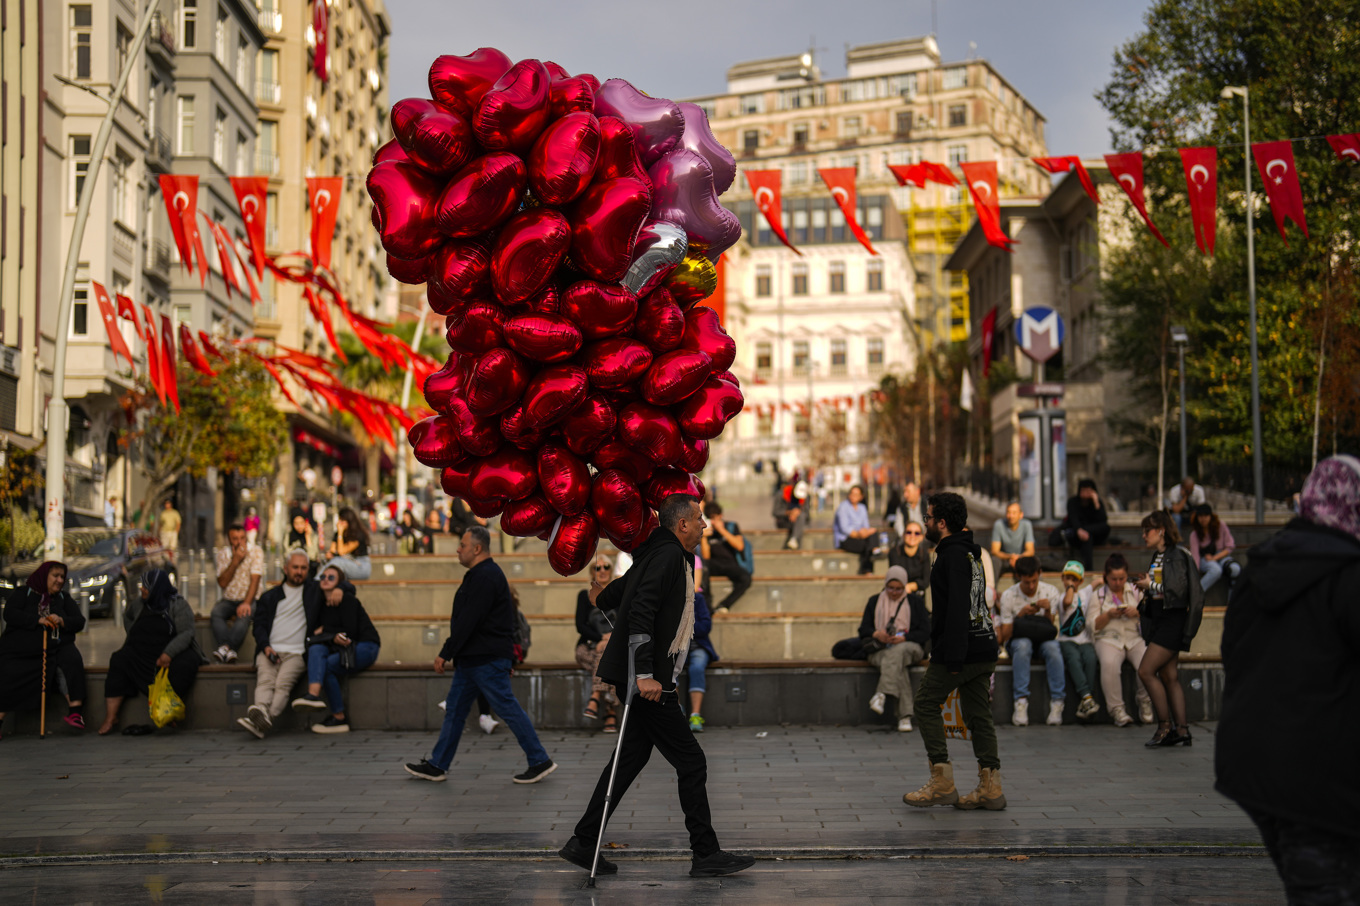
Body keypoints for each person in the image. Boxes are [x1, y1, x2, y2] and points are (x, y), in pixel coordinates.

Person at [559, 494, 754, 878]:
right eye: (698, 519)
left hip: (643, 678)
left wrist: (602, 594)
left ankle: (583, 841)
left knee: (628, 761)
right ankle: (705, 853)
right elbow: (641, 609)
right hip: (645, 681)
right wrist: (645, 673)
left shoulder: (657, 554)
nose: (704, 524)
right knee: (691, 761)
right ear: (681, 524)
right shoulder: (667, 557)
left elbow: (615, 595)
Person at [1215, 455, 1360, 904]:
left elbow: (1232, 654)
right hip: (1319, 772)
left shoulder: (1263, 567)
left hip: (1254, 764)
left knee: (1313, 878)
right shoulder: (1348, 574)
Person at [405, 526, 556, 783]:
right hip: (474, 659)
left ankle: (539, 759)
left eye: (462, 545)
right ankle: (438, 764)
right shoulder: (480, 575)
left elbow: (469, 621)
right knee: (455, 711)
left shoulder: (486, 577)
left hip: (485, 659)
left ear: (477, 549)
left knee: (507, 708)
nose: (457, 549)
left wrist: (445, 652)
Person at [903, 491, 1004, 811]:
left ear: (941, 523)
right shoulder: (969, 552)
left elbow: (960, 608)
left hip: (963, 649)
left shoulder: (952, 556)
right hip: (983, 644)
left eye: (928, 518)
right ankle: (991, 787)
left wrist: (952, 656)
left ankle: (942, 781)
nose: (926, 524)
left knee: (925, 702)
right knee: (978, 715)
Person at [98, 570, 206, 735]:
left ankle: (167, 708)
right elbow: (128, 617)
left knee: (186, 663)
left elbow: (187, 633)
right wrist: (135, 636)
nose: (142, 590)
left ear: (157, 588)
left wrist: (168, 653)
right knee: (119, 660)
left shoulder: (178, 604)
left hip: (168, 654)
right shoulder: (139, 604)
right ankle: (111, 717)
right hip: (142, 654)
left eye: (147, 587)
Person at [1133, 509, 1204, 747]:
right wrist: (1148, 588)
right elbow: (1164, 588)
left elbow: (1177, 591)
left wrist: (1149, 584)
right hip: (1162, 618)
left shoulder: (1177, 555)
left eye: (1148, 530)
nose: (1144, 535)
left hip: (1172, 620)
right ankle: (1181, 730)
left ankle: (1164, 726)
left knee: (1145, 671)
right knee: (1169, 676)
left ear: (1161, 531)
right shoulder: (1160, 555)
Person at [288, 565, 381, 733]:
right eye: (323, 577)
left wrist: (326, 631)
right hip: (338, 647)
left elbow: (350, 632)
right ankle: (313, 695)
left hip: (365, 646)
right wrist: (330, 634)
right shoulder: (319, 603)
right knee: (316, 649)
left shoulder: (347, 600)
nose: (325, 580)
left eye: (331, 578)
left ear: (339, 583)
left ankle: (339, 717)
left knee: (329, 665)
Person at [238, 550, 319, 739]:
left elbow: (345, 585)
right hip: (270, 650)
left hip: (297, 653)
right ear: (285, 569)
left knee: (282, 684)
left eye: (303, 568)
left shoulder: (313, 592)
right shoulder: (270, 596)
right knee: (265, 681)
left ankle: (262, 719)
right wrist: (266, 647)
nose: (299, 572)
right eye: (295, 567)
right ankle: (261, 716)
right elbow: (258, 627)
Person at [0, 562, 88, 736]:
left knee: (71, 660)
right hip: (23, 649)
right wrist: (37, 620)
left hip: (55, 647)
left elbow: (79, 621)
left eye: (62, 577)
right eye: (55, 576)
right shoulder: (23, 594)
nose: (59, 580)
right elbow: (10, 614)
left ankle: (75, 711)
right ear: (43, 576)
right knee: (12, 671)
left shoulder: (63, 598)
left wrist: (62, 621)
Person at [858, 565, 930, 732]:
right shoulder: (874, 601)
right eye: (890, 588)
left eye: (899, 589)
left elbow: (925, 632)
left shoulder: (915, 602)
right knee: (898, 664)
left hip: (909, 647)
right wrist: (877, 634)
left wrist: (904, 637)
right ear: (885, 585)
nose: (894, 592)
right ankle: (904, 717)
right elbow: (863, 630)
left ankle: (882, 693)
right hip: (881, 649)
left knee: (898, 652)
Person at [996, 556, 1066, 727]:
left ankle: (1058, 702)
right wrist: (1020, 615)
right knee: (1023, 645)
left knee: (1053, 648)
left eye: (1034, 581)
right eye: (1027, 582)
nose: (1031, 586)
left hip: (1043, 640)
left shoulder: (1050, 592)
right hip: (1019, 642)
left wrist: (1048, 609)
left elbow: (1050, 628)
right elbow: (1004, 636)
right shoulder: (1008, 595)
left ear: (1040, 573)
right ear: (1018, 576)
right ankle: (1020, 701)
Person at [1087, 553, 1154, 727]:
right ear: (1106, 577)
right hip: (1109, 638)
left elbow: (1151, 614)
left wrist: (1137, 612)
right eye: (1113, 579)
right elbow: (1092, 625)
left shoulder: (1136, 590)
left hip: (1134, 637)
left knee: (1146, 663)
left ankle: (1145, 701)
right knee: (1109, 664)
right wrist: (1108, 615)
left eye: (1121, 578)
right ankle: (1117, 709)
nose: (1117, 582)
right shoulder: (1098, 595)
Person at [575, 554, 620, 734]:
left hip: (613, 646)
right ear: (591, 572)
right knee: (609, 660)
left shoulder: (619, 595)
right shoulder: (584, 595)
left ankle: (595, 697)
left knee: (607, 656)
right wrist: (600, 639)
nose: (602, 571)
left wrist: (610, 639)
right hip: (587, 646)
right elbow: (580, 625)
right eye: (597, 568)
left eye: (606, 567)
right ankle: (610, 709)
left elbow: (626, 621)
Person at [211, 524, 264, 664]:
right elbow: (222, 582)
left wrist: (246, 602)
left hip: (250, 598)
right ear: (229, 540)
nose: (239, 542)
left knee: (244, 614)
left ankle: (226, 648)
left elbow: (255, 580)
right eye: (235, 539)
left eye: (242, 538)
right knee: (216, 612)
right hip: (229, 599)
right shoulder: (223, 554)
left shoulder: (256, 551)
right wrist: (235, 561)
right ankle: (227, 649)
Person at [1055, 561, 1101, 721]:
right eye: (1067, 578)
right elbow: (1067, 603)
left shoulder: (1085, 593)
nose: (1070, 582)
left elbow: (1096, 583)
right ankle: (1087, 696)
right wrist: (1070, 588)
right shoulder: (1062, 597)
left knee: (1090, 659)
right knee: (1073, 659)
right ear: (1062, 578)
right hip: (1066, 639)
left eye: (1074, 580)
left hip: (1085, 639)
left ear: (1081, 582)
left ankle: (1085, 700)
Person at [698, 502, 750, 613]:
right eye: (710, 519)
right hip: (713, 564)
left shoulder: (731, 526)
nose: (713, 522)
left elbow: (739, 546)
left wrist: (722, 530)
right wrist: (704, 538)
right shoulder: (708, 531)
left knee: (746, 578)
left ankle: (724, 604)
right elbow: (706, 556)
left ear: (720, 516)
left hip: (731, 564)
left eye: (715, 518)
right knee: (703, 569)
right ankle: (708, 605)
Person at [1050, 479, 1111, 570]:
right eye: (1084, 491)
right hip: (1076, 534)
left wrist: (1096, 503)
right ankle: (1088, 569)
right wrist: (1079, 530)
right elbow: (1073, 519)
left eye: (1088, 491)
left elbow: (1102, 520)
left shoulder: (1096, 502)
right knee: (1087, 539)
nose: (1086, 494)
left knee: (1103, 528)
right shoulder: (1073, 502)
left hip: (1092, 533)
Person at [685, 586, 718, 733]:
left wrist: (687, 626)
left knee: (697, 667)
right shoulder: (669, 600)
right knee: (669, 668)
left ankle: (695, 715)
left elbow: (706, 626)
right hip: (676, 650)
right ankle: (677, 714)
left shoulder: (698, 599)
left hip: (698, 646)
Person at [1188, 504, 1241, 593]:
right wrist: (1194, 574)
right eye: (1200, 516)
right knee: (1216, 570)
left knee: (1235, 569)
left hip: (1221, 556)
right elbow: (1195, 556)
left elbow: (1230, 546)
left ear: (1211, 516)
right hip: (1204, 559)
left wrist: (1215, 558)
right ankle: (1196, 593)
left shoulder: (1221, 525)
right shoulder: (1194, 534)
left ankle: (1232, 602)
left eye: (1206, 515)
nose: (1203, 519)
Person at [834, 485, 882, 575]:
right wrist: (858, 534)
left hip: (861, 536)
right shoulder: (843, 507)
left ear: (861, 497)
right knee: (868, 544)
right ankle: (870, 564)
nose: (853, 496)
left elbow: (866, 525)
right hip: (846, 539)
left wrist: (866, 532)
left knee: (873, 532)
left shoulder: (862, 508)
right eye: (852, 494)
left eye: (856, 494)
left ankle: (870, 562)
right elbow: (844, 528)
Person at [886, 521, 931, 603]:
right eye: (909, 532)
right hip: (897, 594)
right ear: (903, 535)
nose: (912, 536)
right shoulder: (894, 552)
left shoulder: (924, 554)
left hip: (917, 596)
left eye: (917, 533)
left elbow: (926, 581)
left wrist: (910, 586)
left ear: (921, 537)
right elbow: (895, 577)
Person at [323, 507, 372, 581]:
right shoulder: (338, 534)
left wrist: (340, 533)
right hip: (347, 564)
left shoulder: (358, 535)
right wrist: (329, 555)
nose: (340, 523)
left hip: (361, 566)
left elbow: (341, 552)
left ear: (349, 521)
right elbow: (332, 550)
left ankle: (316, 582)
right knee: (329, 562)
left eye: (342, 520)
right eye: (339, 520)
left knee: (337, 562)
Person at [990, 502, 1035, 573]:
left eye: (1014, 513)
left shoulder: (1027, 525)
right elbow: (995, 551)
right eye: (1008, 512)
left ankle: (1034, 584)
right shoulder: (999, 524)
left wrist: (1018, 558)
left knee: (1033, 562)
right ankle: (991, 584)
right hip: (1004, 560)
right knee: (995, 561)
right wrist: (1011, 557)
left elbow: (1030, 551)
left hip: (1021, 559)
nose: (1011, 516)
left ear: (1021, 515)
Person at [772, 473, 809, 550]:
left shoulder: (805, 497)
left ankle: (794, 539)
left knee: (801, 516)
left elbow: (807, 513)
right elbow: (775, 512)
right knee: (801, 518)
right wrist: (789, 513)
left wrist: (797, 512)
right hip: (784, 521)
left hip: (798, 520)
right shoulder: (781, 494)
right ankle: (794, 540)